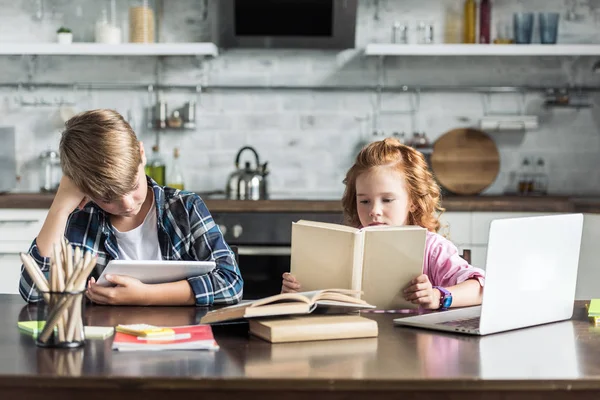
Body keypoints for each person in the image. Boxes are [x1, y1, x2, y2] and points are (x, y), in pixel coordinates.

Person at [19, 109, 243, 306]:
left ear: (142, 155)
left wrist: (147, 295)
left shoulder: (185, 208)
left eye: (133, 186)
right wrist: (60, 207)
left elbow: (231, 284)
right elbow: (35, 293)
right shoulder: (81, 219)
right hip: (104, 346)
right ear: (83, 189)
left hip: (179, 343)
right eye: (108, 198)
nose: (127, 204)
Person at [282, 137, 484, 310]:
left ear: (412, 202)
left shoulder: (431, 248)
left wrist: (438, 296)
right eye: (364, 201)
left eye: (387, 200)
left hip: (414, 349)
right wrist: (297, 293)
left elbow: (482, 289)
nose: (374, 211)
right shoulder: (345, 247)